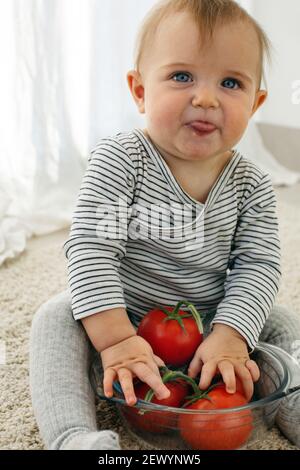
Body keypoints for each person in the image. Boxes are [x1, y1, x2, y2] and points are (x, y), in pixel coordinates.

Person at [29, 0, 300, 450]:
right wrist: (116, 341)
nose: (206, 98)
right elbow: (91, 248)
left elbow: (258, 266)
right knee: (54, 318)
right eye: (181, 77)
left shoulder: (252, 183)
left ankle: (286, 404)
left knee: (282, 320)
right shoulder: (121, 159)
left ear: (255, 103)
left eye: (230, 83)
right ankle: (73, 436)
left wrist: (231, 336)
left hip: (212, 321)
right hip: (126, 316)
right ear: (139, 90)